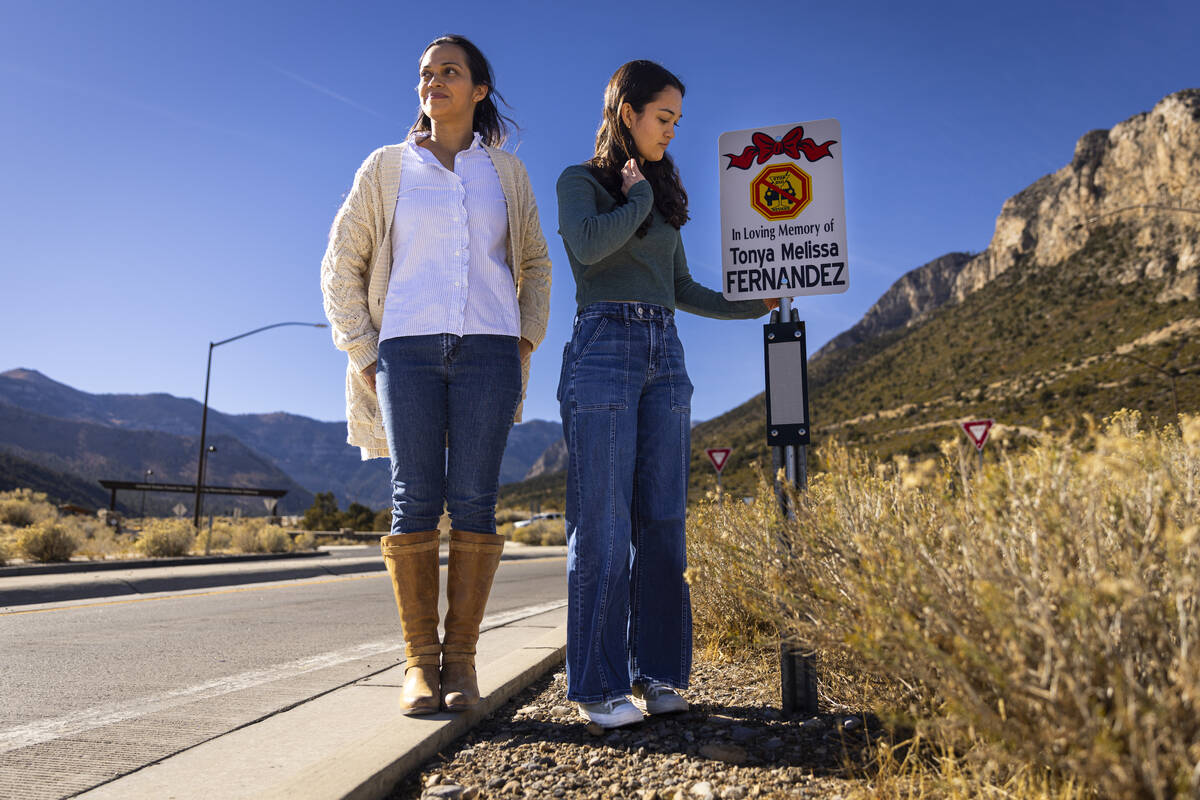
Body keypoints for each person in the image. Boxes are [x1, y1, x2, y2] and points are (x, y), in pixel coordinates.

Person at [320, 34, 551, 715]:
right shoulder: (386, 168)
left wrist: (523, 342)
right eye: (425, 73)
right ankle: (420, 666)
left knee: (475, 502)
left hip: (488, 350)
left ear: (479, 89)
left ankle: (464, 665)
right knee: (414, 500)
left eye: (449, 72)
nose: (434, 81)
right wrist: (364, 350)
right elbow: (342, 265)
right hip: (406, 352)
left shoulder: (505, 174)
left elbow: (534, 261)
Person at [555, 60, 775, 728]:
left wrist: (753, 305)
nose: (672, 131)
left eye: (678, 120)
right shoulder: (582, 183)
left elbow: (679, 288)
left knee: (663, 520)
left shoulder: (660, 191)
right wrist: (639, 199)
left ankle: (659, 676)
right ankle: (599, 687)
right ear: (628, 112)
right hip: (603, 347)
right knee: (603, 524)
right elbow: (590, 251)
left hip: (665, 353)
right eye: (663, 117)